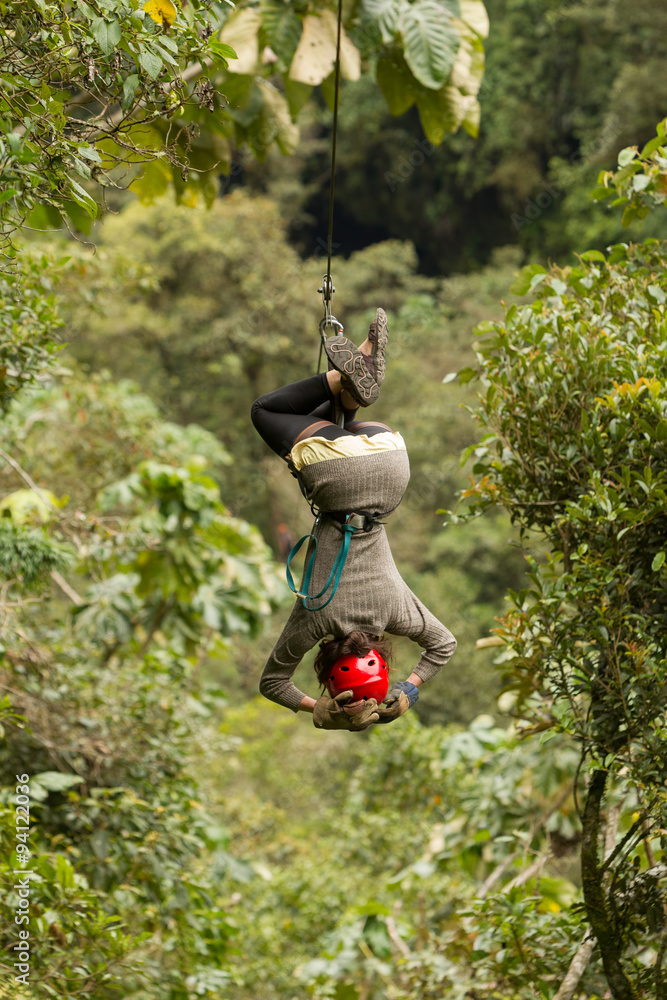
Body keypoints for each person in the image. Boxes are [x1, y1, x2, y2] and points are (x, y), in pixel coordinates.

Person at [251, 309, 457, 731]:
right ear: (327, 666)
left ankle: (353, 381)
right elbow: (272, 683)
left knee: (335, 423)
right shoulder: (317, 618)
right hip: (338, 476)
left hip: (389, 461)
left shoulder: (397, 612)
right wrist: (318, 709)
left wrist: (408, 690)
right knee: (263, 412)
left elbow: (443, 645)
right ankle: (337, 381)